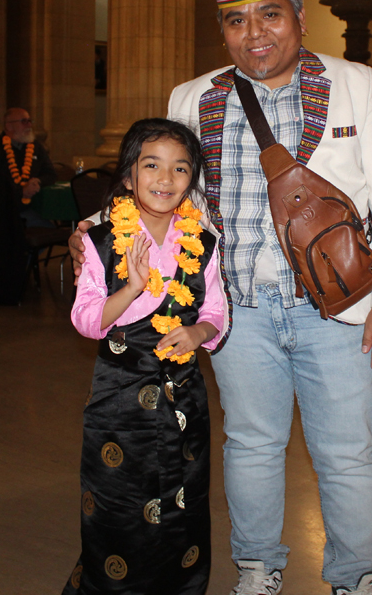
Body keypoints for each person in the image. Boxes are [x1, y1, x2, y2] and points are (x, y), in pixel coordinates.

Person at [70, 0, 372, 595]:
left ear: (299, 18)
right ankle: (258, 567)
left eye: (269, 13)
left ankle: (354, 575)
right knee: (251, 445)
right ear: (223, 29)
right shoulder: (193, 96)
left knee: (345, 453)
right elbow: (165, 185)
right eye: (235, 20)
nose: (254, 32)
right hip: (236, 313)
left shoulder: (355, 85)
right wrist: (97, 231)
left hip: (337, 311)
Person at [62, 118, 226, 595]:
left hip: (184, 399)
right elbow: (87, 319)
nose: (165, 179)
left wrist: (198, 330)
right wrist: (131, 287)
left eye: (180, 168)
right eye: (151, 165)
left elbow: (216, 308)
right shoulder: (99, 240)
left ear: (191, 180)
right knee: (118, 504)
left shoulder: (204, 242)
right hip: (120, 399)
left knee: (186, 500)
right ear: (129, 175)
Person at [0, 107, 57, 227]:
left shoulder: (36, 147)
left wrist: (37, 181)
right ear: (9, 126)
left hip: (33, 207)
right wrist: (22, 191)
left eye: (30, 121)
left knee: (49, 228)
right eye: (24, 121)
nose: (29, 125)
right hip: (2, 210)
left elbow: (51, 173)